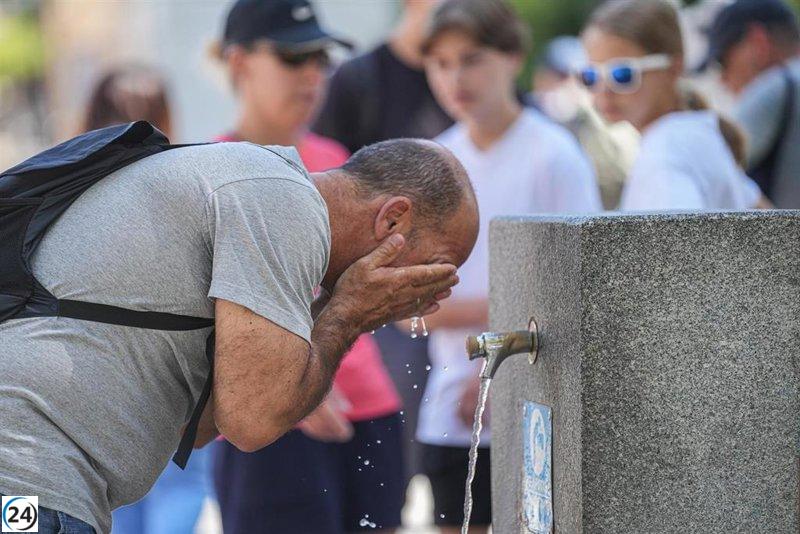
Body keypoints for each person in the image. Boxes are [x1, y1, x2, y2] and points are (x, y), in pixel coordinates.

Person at [0, 125, 478, 534]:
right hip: (29, 481)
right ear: (392, 218)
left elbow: (209, 422)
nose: (426, 295)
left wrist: (338, 307)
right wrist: (348, 313)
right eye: (435, 268)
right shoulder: (278, 198)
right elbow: (255, 421)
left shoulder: (263, 193)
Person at [207, 1, 405, 532]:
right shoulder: (207, 170)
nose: (313, 75)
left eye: (321, 57)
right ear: (239, 62)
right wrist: (292, 387)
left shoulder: (340, 160)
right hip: (271, 422)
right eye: (294, 57)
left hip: (369, 408)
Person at [416, 1, 601, 532]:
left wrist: (499, 362)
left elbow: (579, 286)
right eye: (441, 63)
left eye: (471, 59)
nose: (456, 78)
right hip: (448, 403)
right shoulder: (434, 162)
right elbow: (415, 306)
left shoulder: (553, 154)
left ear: (513, 57)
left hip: (538, 406)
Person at [312, 0, 453, 489]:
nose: (453, 76)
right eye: (444, 64)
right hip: (378, 286)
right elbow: (331, 191)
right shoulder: (359, 79)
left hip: (445, 286)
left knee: (426, 467)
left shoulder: (467, 82)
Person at [80, 65, 216, 534]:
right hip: (175, 383)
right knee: (178, 491)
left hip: (93, 385)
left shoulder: (65, 192)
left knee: (112, 507)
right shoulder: (191, 186)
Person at [579, 0, 770, 211]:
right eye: (591, 75)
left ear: (673, 67)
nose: (604, 90)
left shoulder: (666, 152)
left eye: (622, 74)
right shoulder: (696, 133)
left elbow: (675, 243)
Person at [703, 0, 800, 207]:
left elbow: (711, 171)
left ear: (758, 42)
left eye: (722, 62)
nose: (722, 79)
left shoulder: (780, 86)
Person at [529, 36, 639, 210]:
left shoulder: (604, 121)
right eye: (560, 76)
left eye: (582, 78)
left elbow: (620, 175)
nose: (567, 85)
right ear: (540, 77)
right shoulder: (530, 119)